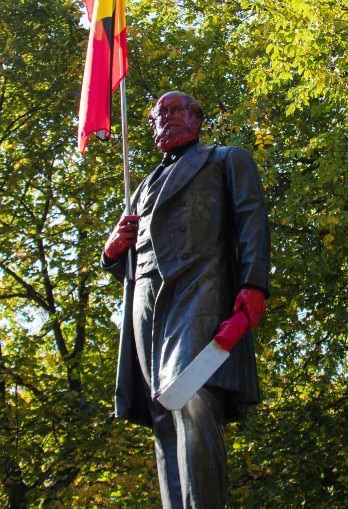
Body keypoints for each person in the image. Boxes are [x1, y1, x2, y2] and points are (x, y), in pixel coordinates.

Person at [101, 91, 271, 508]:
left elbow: (251, 216)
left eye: (176, 111)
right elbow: (140, 256)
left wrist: (253, 283)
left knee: (192, 396)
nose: (167, 119)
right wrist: (111, 253)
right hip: (146, 303)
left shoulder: (226, 159)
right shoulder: (141, 188)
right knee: (164, 416)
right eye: (160, 114)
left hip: (200, 289)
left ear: (197, 119)